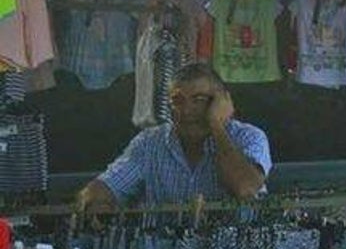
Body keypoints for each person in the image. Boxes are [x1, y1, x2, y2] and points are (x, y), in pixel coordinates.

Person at [77, 62, 272, 209]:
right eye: (178, 101)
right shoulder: (149, 143)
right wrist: (94, 201)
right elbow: (104, 187)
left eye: (199, 100)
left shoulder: (249, 137)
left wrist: (217, 126)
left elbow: (246, 189)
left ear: (221, 102)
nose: (186, 110)